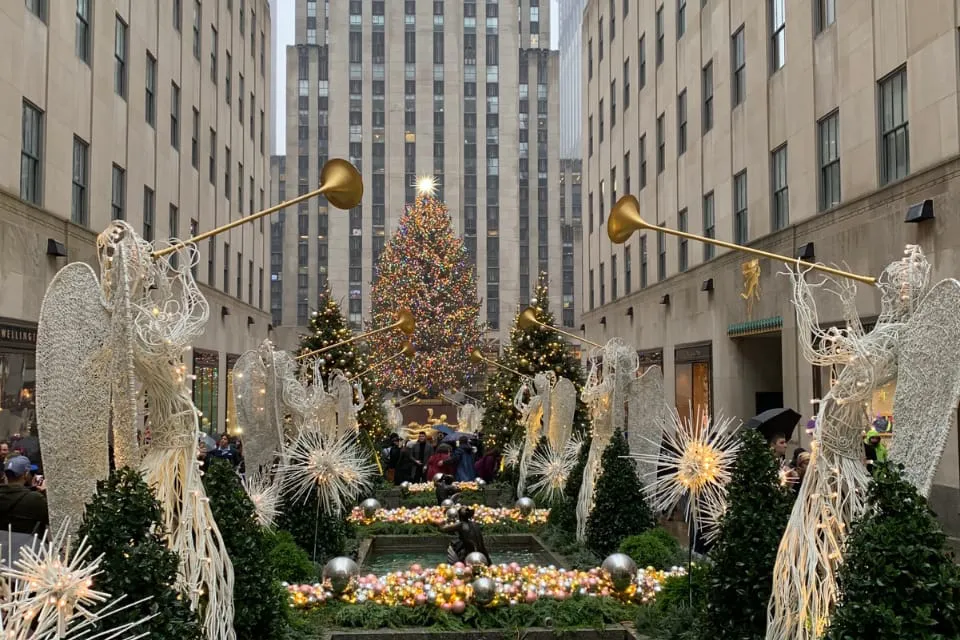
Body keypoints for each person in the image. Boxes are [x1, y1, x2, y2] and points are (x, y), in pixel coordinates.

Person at [0, 456, 48, 535]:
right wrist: (44, 494)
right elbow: (51, 519)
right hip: (29, 545)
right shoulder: (35, 499)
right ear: (26, 474)